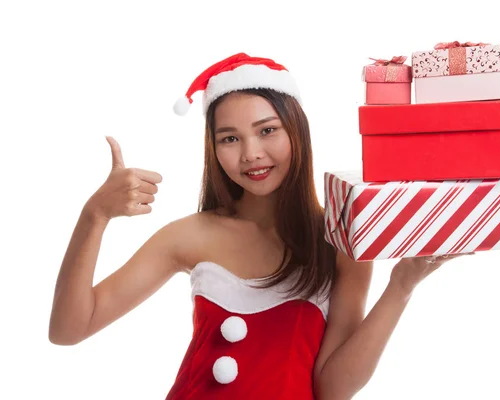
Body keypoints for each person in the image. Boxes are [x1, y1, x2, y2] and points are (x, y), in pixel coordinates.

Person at [48, 52, 465, 399]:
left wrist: (401, 286)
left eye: (267, 131)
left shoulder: (339, 241)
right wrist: (94, 216)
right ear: (213, 149)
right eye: (229, 138)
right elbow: (69, 330)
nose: (251, 154)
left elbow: (332, 388)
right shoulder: (189, 235)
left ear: (296, 132)